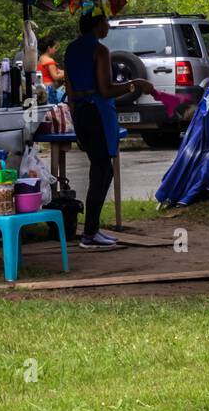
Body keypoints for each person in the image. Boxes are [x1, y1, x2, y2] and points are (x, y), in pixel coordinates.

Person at [64, 12, 154, 249]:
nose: (108, 27)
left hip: (81, 114)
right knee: (101, 171)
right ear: (96, 25)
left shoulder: (71, 49)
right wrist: (135, 84)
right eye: (105, 22)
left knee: (103, 170)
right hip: (97, 113)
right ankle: (90, 233)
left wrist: (75, 116)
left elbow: (70, 91)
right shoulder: (100, 50)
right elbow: (105, 90)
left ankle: (92, 230)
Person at [37, 35, 65, 104]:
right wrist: (67, 73)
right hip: (49, 89)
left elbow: (56, 71)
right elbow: (55, 76)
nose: (55, 50)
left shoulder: (40, 59)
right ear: (49, 48)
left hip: (42, 89)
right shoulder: (49, 60)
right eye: (55, 48)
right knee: (52, 108)